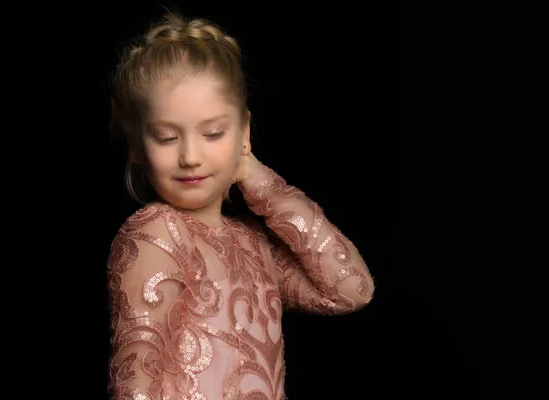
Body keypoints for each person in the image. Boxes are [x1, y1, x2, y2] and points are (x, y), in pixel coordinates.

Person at [107, 11, 375, 400]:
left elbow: (351, 289)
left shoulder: (253, 245)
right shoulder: (157, 231)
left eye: (213, 133)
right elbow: (136, 386)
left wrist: (259, 179)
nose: (191, 156)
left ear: (244, 131)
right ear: (136, 147)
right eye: (166, 138)